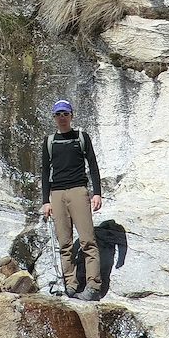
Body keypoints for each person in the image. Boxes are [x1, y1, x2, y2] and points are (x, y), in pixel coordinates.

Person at [41, 99, 103, 302]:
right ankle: (71, 284)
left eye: (65, 114)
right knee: (64, 243)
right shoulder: (49, 141)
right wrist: (46, 201)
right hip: (57, 194)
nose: (62, 118)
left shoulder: (81, 137)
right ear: (54, 117)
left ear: (71, 116)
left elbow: (93, 165)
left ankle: (93, 286)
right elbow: (45, 172)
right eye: (58, 114)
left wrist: (96, 193)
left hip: (78, 191)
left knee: (87, 240)